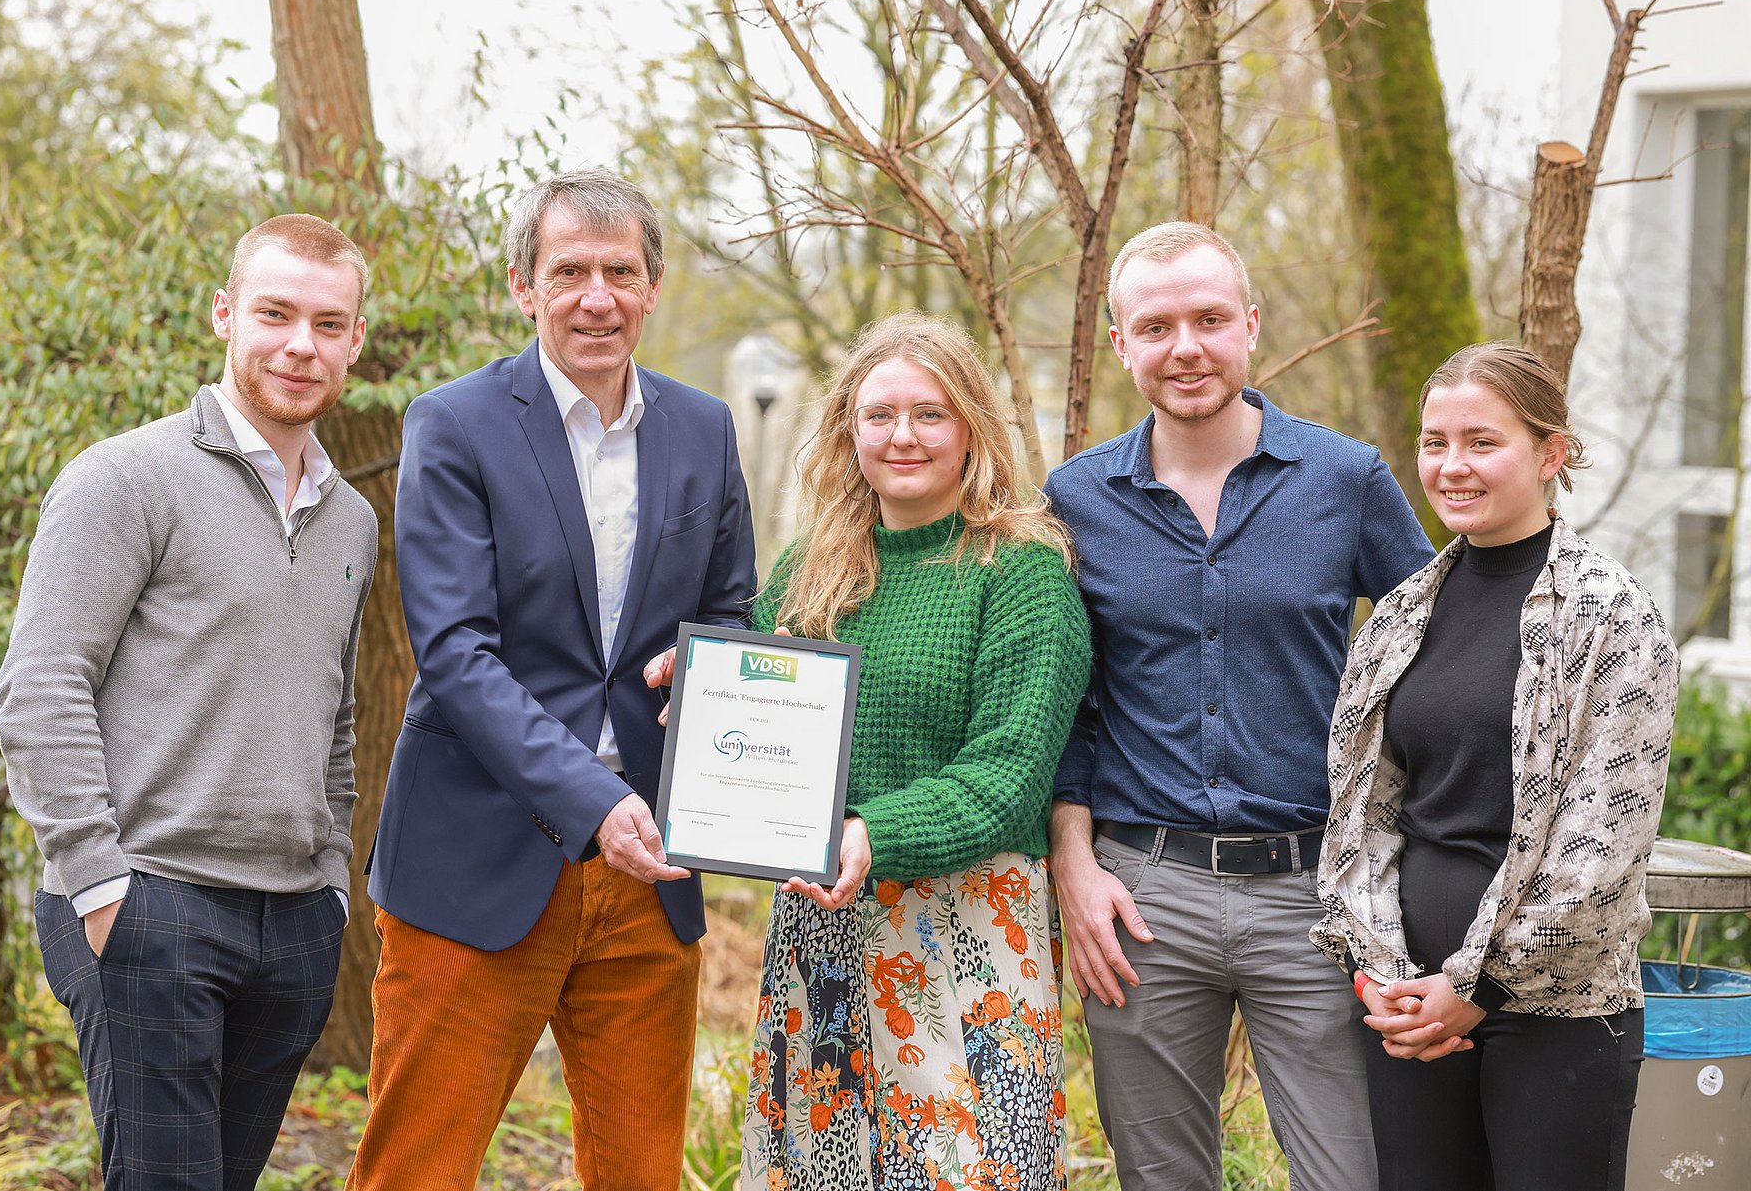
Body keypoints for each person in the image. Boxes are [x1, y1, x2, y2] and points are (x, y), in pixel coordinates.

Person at [347, 168, 755, 1190]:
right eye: (569, 271)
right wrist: (593, 801)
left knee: (639, 1173)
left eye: (620, 272)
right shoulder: (455, 423)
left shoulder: (702, 429)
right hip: (478, 855)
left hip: (650, 867)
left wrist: (701, 665)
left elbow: (732, 613)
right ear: (524, 287)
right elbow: (454, 651)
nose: (597, 298)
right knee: (417, 1172)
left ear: (654, 285)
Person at [1044, 221, 1434, 1191]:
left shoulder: (1346, 482)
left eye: (1210, 319)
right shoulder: (1077, 499)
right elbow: (1067, 703)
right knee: (1163, 1177)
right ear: (1123, 342)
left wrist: (1413, 847)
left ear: (1250, 327)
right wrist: (1074, 863)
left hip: (1316, 892)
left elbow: (1436, 656)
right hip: (1142, 896)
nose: (1187, 347)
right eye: (1158, 325)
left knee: (1351, 1173)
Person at [0, 214, 377, 1191]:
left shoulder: (353, 518)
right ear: (224, 315)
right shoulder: (126, 479)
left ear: (355, 342)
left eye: (328, 324)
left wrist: (330, 881)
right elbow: (40, 684)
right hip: (151, 900)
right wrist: (99, 887)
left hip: (292, 921)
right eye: (275, 313)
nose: (301, 344)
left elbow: (332, 714)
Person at [1312, 344, 1678, 1191]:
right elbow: (1357, 815)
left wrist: (1478, 989)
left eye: (1482, 441)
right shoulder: (1403, 613)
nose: (1451, 465)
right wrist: (1380, 974)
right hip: (1406, 1003)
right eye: (1434, 441)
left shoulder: (1612, 616)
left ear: (1551, 453)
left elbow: (1603, 851)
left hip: (1555, 1005)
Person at [739, 312, 1089, 1191]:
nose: (903, 436)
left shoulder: (1020, 571)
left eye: (929, 414)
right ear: (847, 429)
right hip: (824, 920)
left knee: (968, 1171)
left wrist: (869, 831)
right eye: (879, 414)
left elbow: (1009, 776)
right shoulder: (811, 568)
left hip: (969, 932)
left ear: (970, 425)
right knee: (824, 1170)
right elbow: (757, 708)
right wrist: (699, 691)